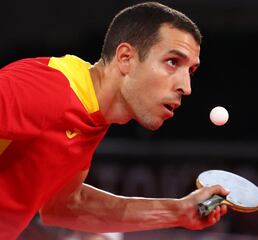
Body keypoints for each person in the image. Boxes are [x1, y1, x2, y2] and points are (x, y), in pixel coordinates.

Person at [0, 2, 229, 239]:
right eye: (172, 62)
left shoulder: (91, 112)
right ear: (125, 58)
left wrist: (178, 211)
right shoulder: (45, 90)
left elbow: (64, 206)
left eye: (190, 71)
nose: (186, 87)